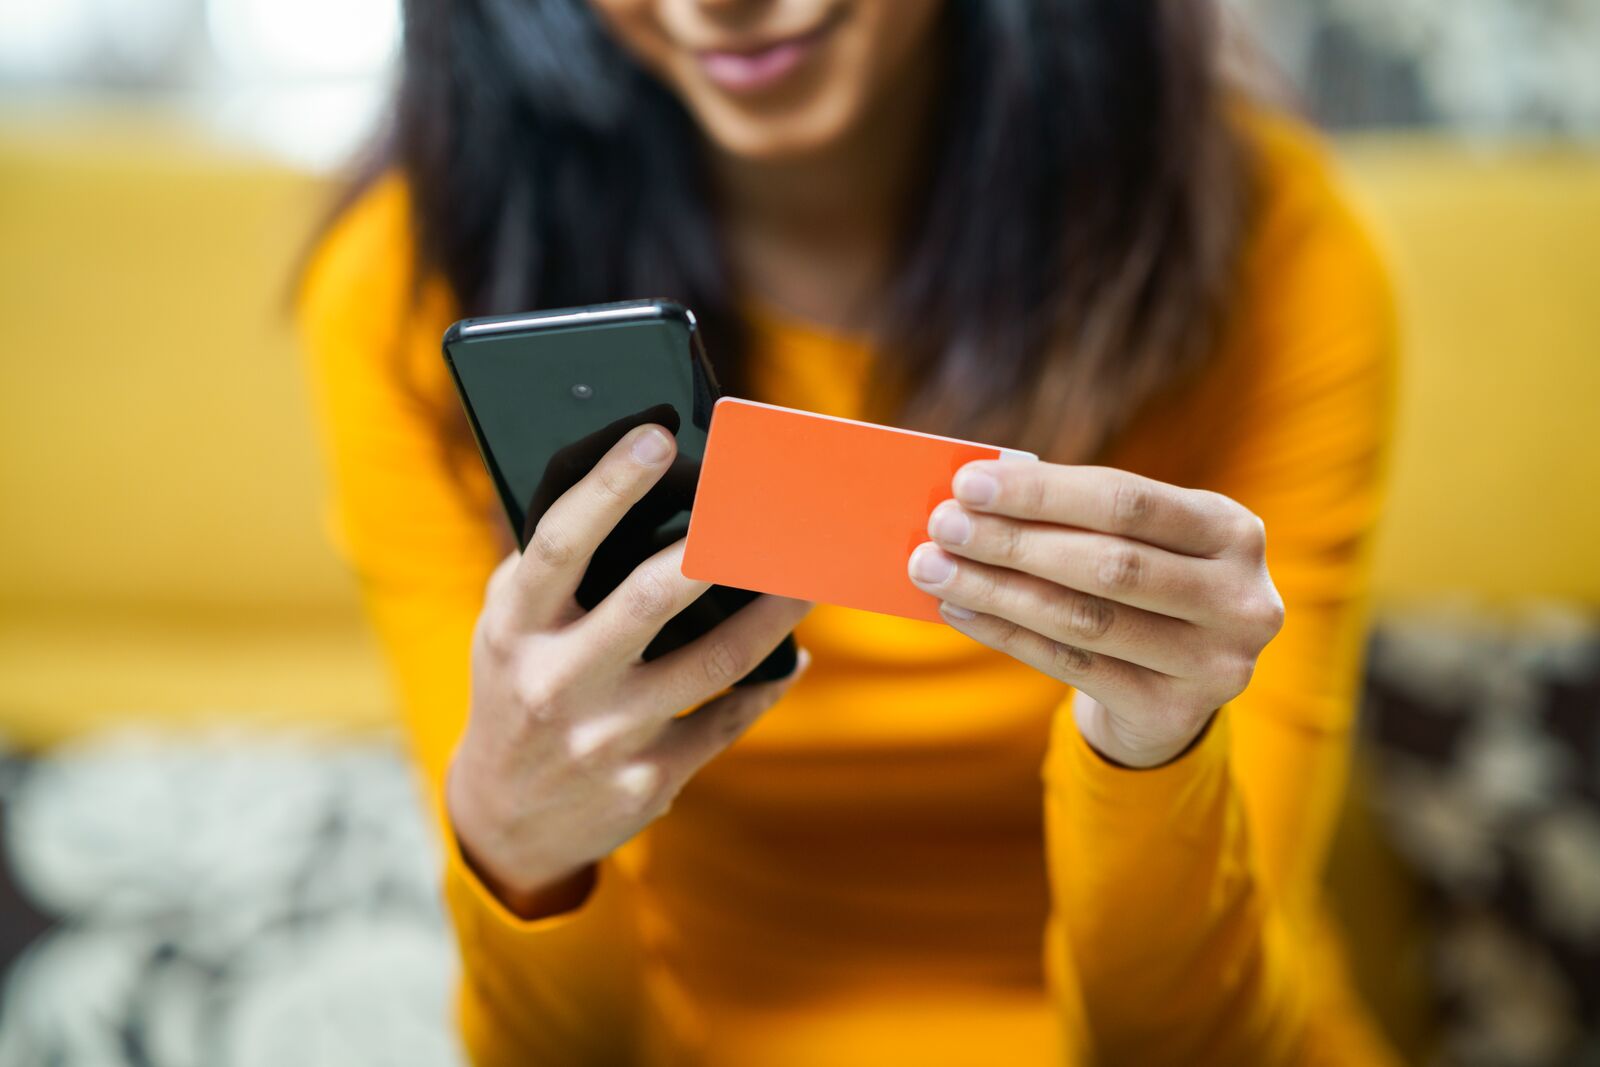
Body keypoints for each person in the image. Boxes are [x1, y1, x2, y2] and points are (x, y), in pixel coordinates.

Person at [297, 1, 1399, 1063]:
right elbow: (557, 1053)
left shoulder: (1265, 243)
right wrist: (513, 842)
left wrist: (1157, 749)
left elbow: (1198, 1045)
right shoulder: (411, 281)